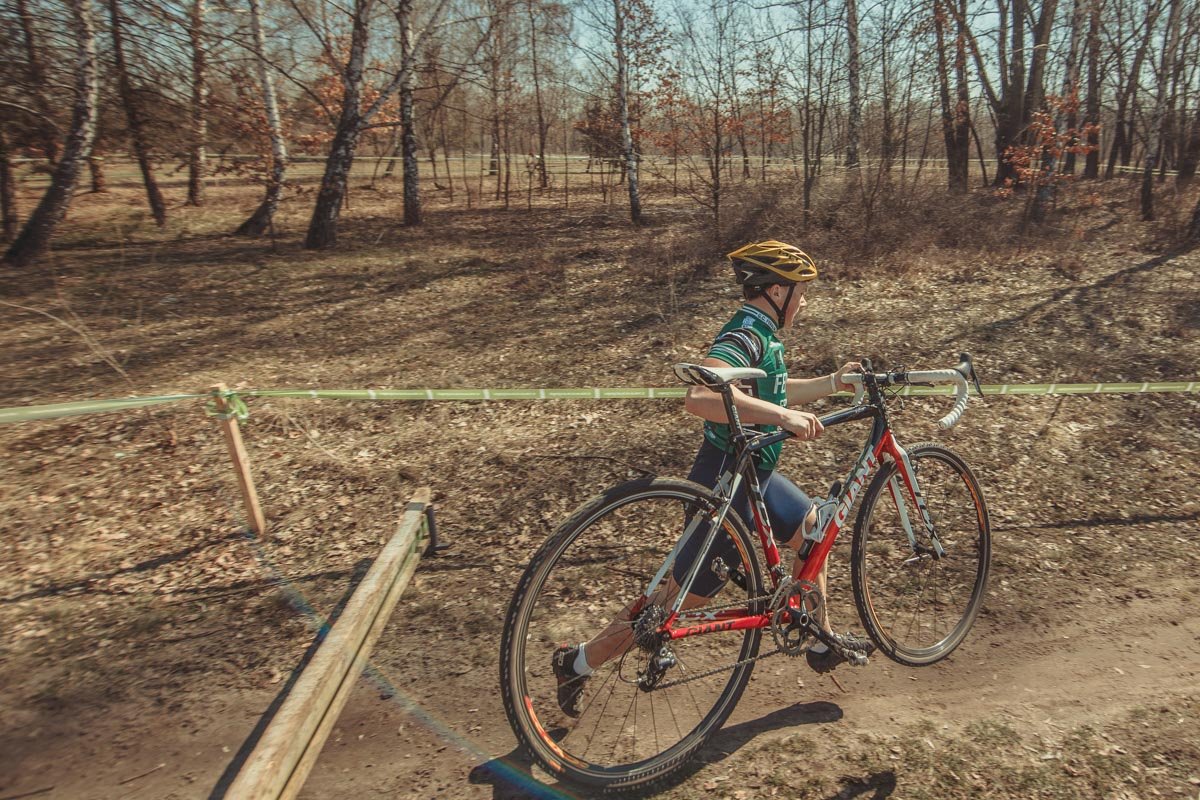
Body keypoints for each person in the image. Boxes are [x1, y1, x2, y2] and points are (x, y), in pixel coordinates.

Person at [551, 240, 875, 717]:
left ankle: (820, 637)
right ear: (778, 291)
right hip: (724, 481)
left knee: (814, 532)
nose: (804, 302)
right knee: (671, 604)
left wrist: (831, 383)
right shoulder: (744, 334)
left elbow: (773, 392)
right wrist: (782, 416)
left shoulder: (764, 335)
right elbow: (701, 397)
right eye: (801, 291)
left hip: (756, 477)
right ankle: (577, 662)